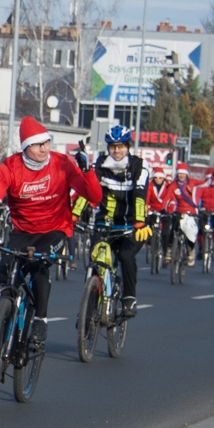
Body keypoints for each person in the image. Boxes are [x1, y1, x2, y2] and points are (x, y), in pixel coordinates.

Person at [0, 116, 100, 346]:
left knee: (38, 265)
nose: (45, 148)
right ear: (26, 147)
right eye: (40, 145)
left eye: (47, 142)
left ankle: (41, 318)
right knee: (6, 271)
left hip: (55, 229)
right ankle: (0, 315)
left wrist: (87, 171)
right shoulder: (10, 166)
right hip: (22, 230)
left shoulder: (62, 163)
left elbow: (95, 197)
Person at [87, 123, 152, 316]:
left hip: (132, 225)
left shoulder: (139, 166)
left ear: (128, 147)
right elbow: (88, 191)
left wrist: (139, 221)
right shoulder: (100, 165)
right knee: (96, 261)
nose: (116, 151)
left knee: (125, 256)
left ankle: (129, 298)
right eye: (113, 147)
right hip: (104, 223)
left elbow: (140, 194)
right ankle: (88, 311)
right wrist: (74, 215)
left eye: (121, 146)